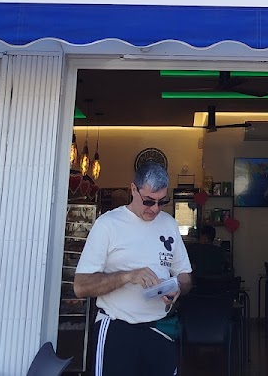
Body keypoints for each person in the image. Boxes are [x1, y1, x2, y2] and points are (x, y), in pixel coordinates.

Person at [74, 160, 193, 376]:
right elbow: (81, 287)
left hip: (160, 329)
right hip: (118, 330)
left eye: (161, 202)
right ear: (133, 189)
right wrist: (128, 276)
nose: (155, 209)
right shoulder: (108, 224)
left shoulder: (169, 224)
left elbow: (185, 277)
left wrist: (176, 288)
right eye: (148, 201)